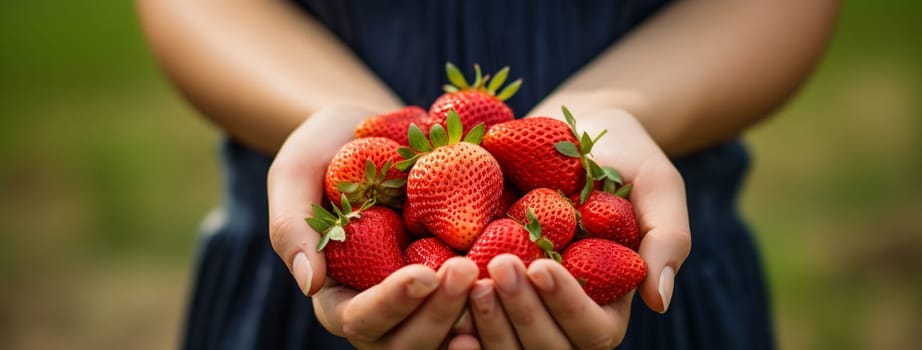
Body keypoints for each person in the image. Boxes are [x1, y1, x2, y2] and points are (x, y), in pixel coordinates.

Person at [137, 0, 839, 349]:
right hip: (304, 280)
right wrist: (333, 115)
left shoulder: (562, 215)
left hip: (652, 265)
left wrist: (608, 110)